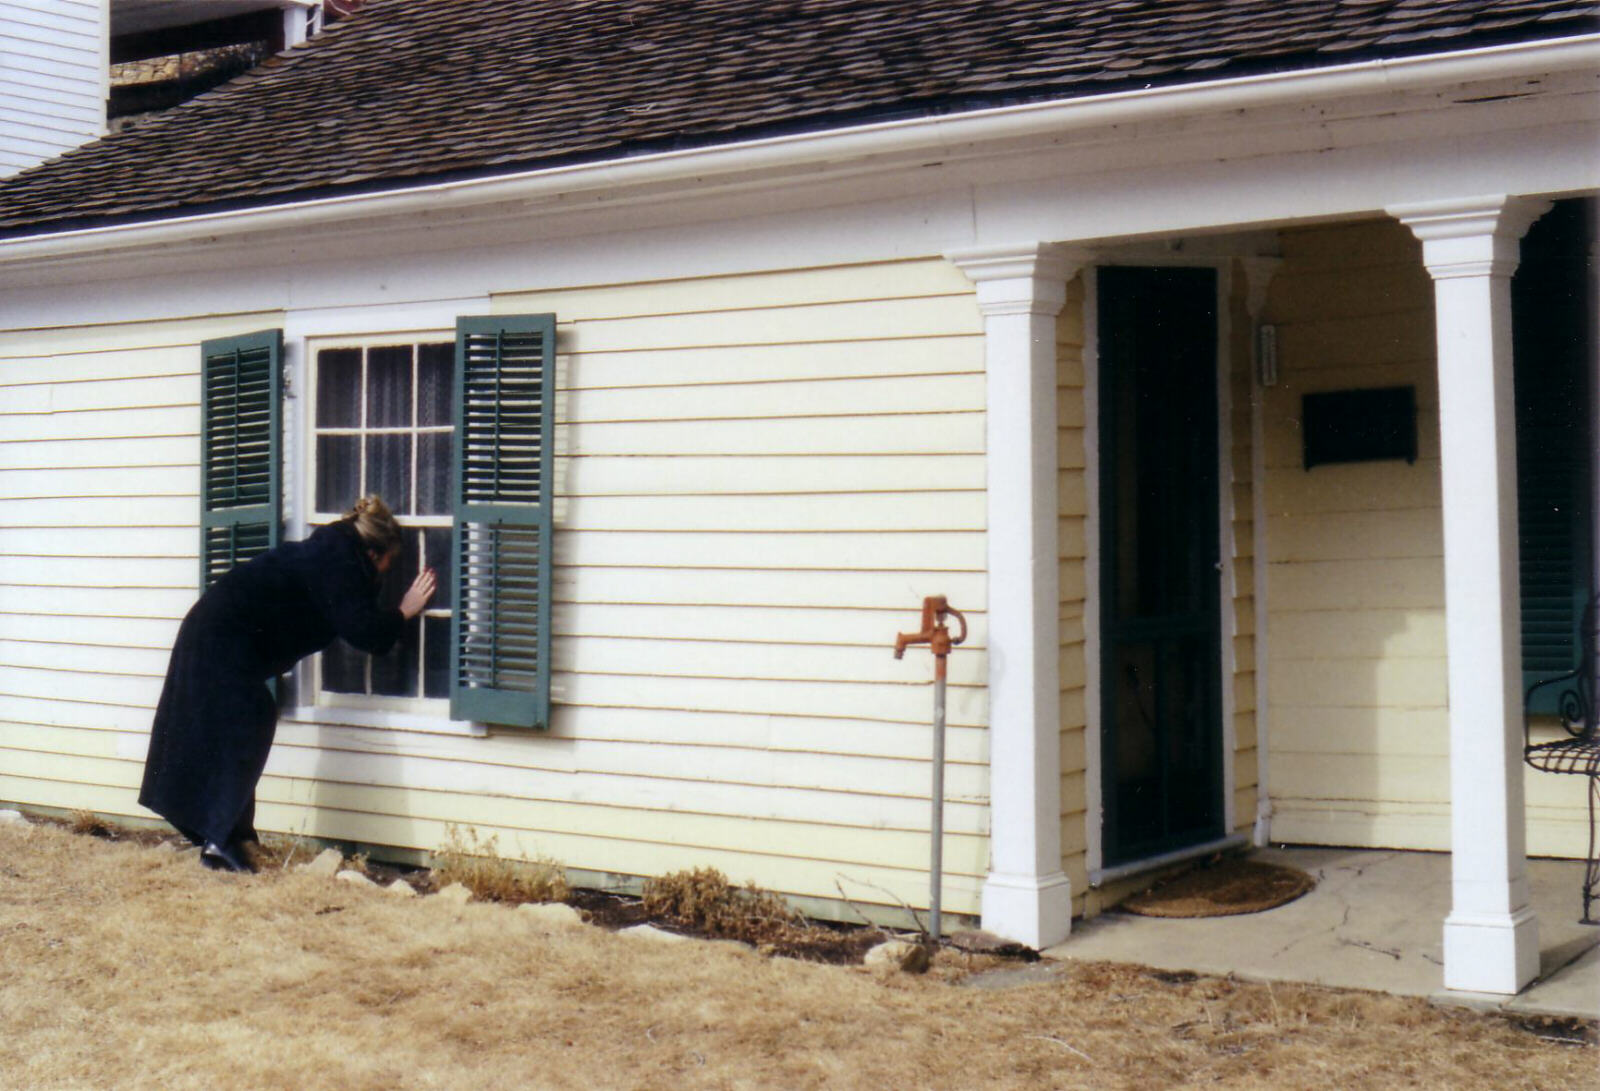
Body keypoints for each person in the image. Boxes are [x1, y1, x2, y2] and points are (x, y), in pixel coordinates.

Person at [140, 495, 436, 872]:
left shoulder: (335, 547)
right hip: (219, 637)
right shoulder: (341, 560)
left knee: (245, 720)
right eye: (387, 566)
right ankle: (219, 841)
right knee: (248, 719)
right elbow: (365, 632)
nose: (383, 577)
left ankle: (232, 835)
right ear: (375, 553)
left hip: (215, 631)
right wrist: (403, 611)